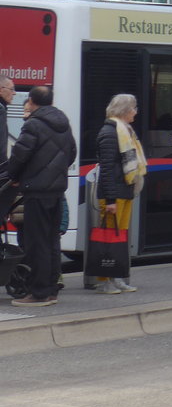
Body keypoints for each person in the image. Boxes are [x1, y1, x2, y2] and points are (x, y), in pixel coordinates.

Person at [7, 85, 76, 307]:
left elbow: (19, 155)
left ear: (31, 101)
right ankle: (53, 289)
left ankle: (38, 293)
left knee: (37, 242)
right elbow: (71, 152)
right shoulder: (63, 123)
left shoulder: (33, 125)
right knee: (52, 240)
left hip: (36, 190)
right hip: (57, 190)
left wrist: (15, 176)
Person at [93, 93, 147, 294]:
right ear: (124, 110)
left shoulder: (126, 131)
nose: (135, 112)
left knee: (119, 237)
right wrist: (110, 199)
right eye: (133, 108)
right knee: (108, 237)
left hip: (124, 190)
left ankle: (117, 277)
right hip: (113, 194)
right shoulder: (109, 133)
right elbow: (106, 168)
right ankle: (105, 280)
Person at [0, 75, 15, 159]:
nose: (14, 93)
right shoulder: (1, 110)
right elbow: (1, 147)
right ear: (1, 90)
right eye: (12, 89)